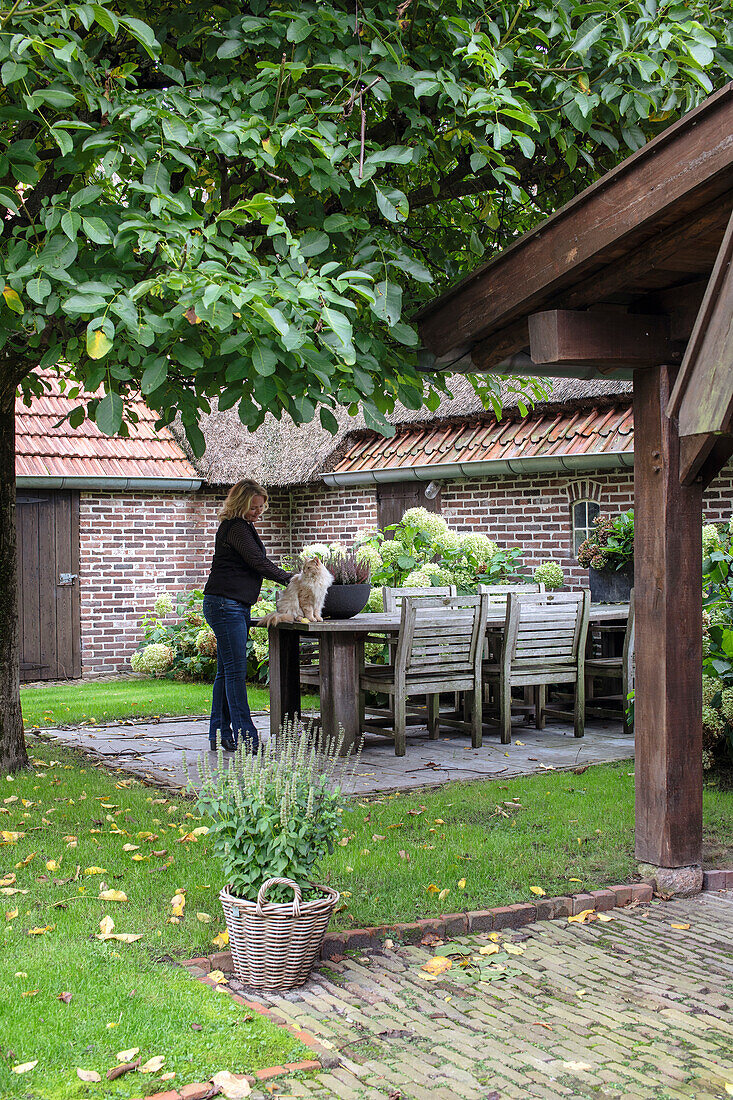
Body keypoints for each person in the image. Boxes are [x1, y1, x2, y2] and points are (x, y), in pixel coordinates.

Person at [203, 479, 291, 752]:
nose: (257, 512)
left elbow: (254, 562)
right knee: (235, 674)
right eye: (253, 507)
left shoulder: (242, 527)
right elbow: (258, 562)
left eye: (261, 508)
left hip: (230, 605)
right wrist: (293, 580)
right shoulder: (237, 527)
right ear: (241, 503)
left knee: (226, 672)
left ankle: (219, 734)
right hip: (226, 605)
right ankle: (246, 739)